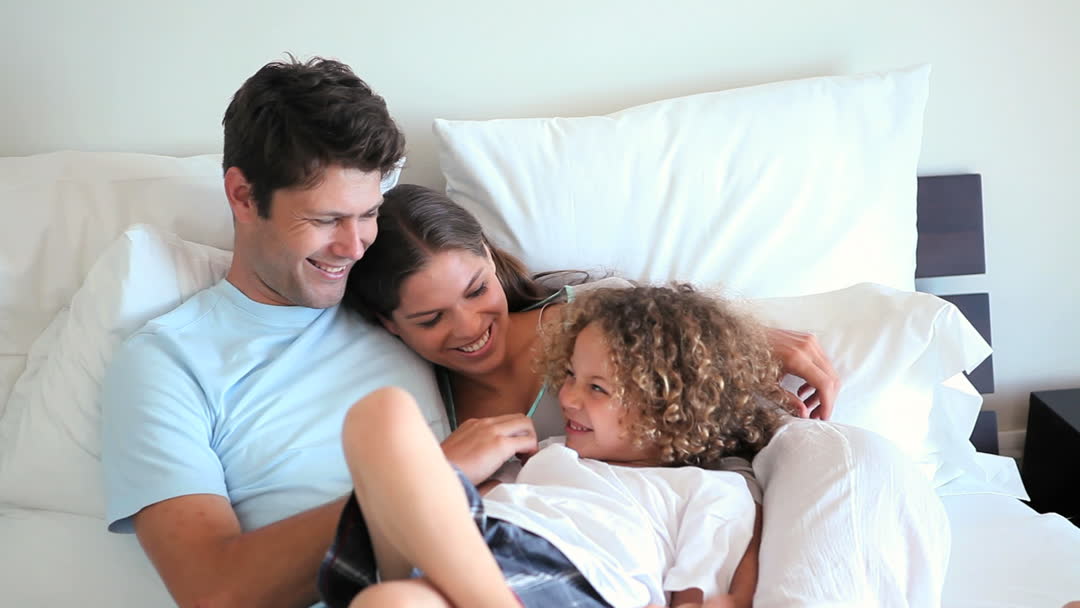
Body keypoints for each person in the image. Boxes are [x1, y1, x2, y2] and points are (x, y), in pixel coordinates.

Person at [100, 57, 448, 608]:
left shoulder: (401, 303)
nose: (355, 247)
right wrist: (432, 481)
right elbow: (213, 592)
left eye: (369, 214)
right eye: (326, 220)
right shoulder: (167, 365)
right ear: (243, 196)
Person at [319, 284, 788, 608]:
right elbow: (451, 516)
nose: (567, 398)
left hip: (574, 580)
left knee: (389, 602)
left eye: (596, 388)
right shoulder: (544, 452)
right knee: (381, 412)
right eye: (569, 376)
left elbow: (702, 597)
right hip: (472, 554)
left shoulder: (710, 490)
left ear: (672, 408)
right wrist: (463, 474)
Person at [343, 185, 839, 489]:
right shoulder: (426, 409)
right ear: (390, 324)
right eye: (431, 319)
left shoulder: (598, 319)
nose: (471, 327)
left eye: (477, 290)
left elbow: (740, 446)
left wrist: (736, 342)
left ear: (489, 258)